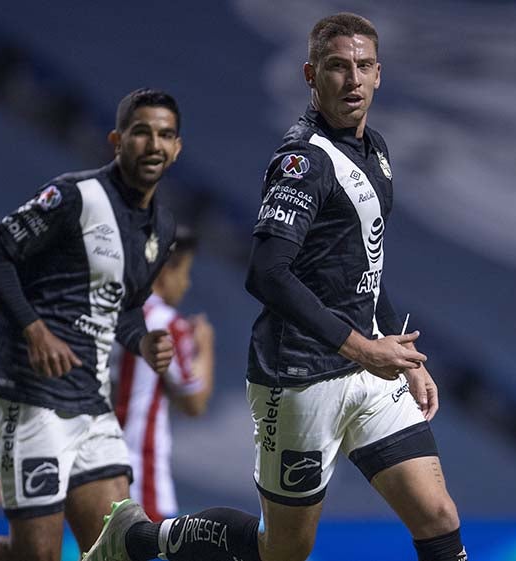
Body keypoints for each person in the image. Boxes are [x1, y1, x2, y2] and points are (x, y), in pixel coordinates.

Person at [82, 13, 467, 561]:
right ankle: (139, 536)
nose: (352, 80)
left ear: (379, 74)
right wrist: (363, 348)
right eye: (337, 67)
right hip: (299, 377)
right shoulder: (302, 161)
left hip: (369, 371)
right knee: (282, 550)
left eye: (362, 67)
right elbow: (265, 274)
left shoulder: (374, 148)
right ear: (311, 75)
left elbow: (364, 261)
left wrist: (402, 355)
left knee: (438, 516)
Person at [0, 88, 183, 561]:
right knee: (37, 557)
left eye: (165, 135)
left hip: (91, 402)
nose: (153, 145)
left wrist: (141, 340)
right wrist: (34, 329)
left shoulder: (163, 226)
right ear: (116, 140)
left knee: (117, 551)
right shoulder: (74, 197)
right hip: (30, 398)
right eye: (141, 132)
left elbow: (123, 305)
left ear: (177, 148)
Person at [113, 225, 215, 522]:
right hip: (142, 473)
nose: (186, 284)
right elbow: (194, 402)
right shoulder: (165, 322)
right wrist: (205, 346)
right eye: (184, 272)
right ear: (164, 271)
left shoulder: (115, 312)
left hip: (99, 467)